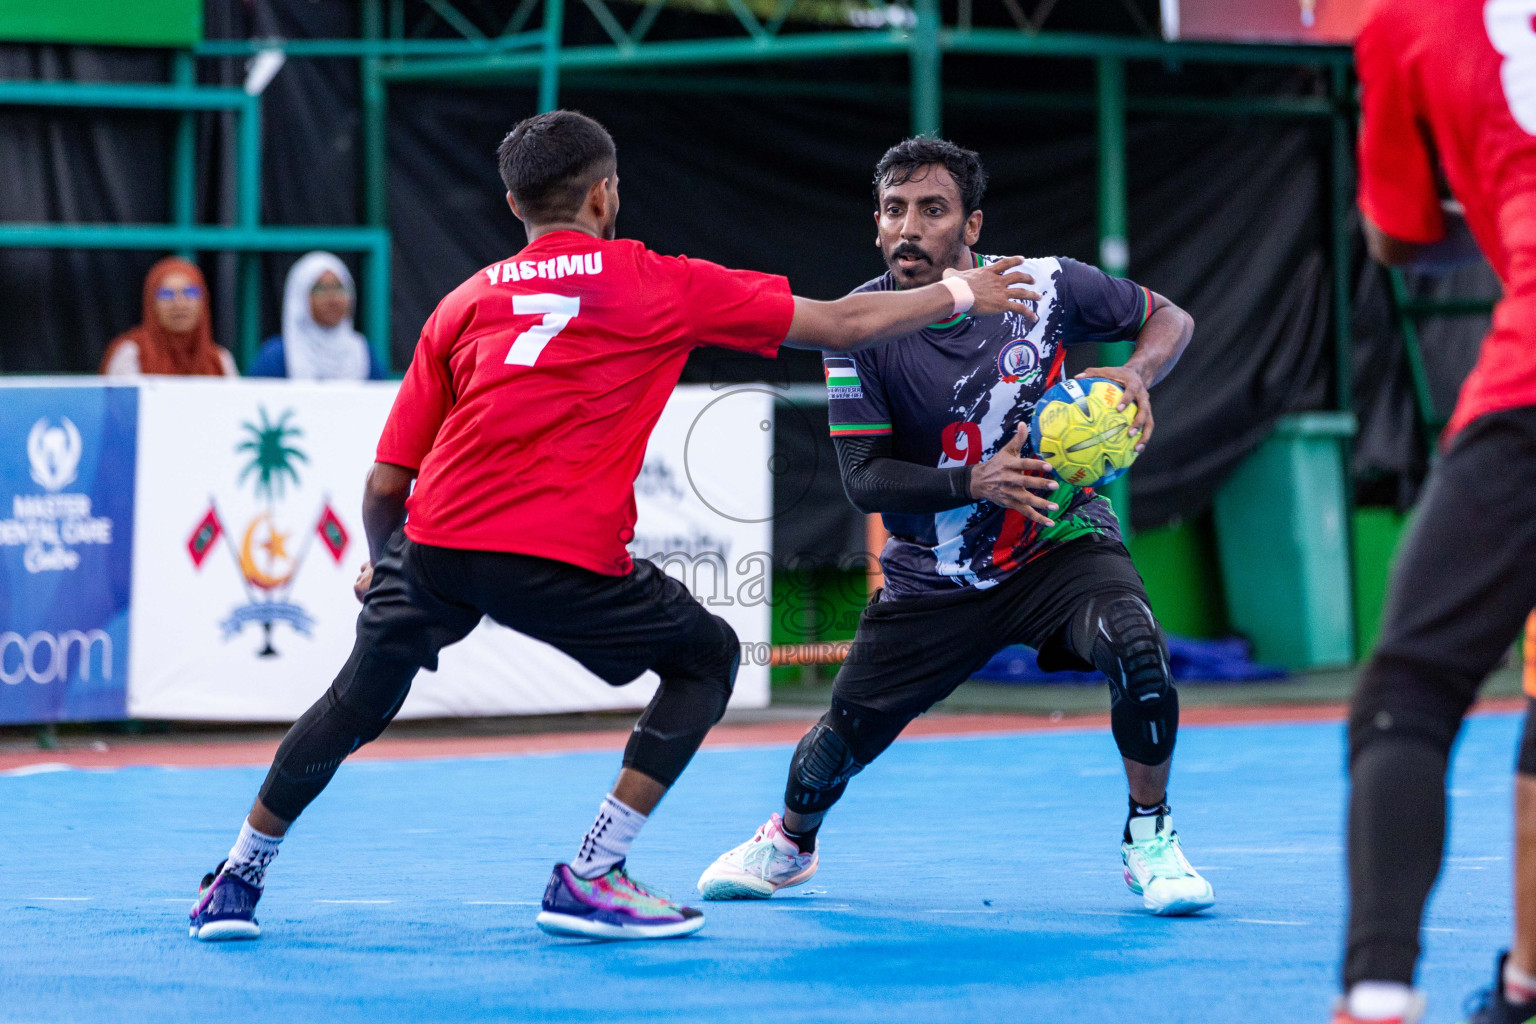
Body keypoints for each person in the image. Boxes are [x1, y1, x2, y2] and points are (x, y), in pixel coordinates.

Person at [186, 110, 1040, 943]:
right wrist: (962, 289)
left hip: (435, 540)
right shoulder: (656, 280)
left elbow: (382, 485)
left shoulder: (464, 301)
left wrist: (386, 567)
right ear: (606, 196)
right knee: (704, 658)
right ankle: (593, 874)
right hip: (552, 553)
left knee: (352, 702)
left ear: (514, 205)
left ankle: (235, 878)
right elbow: (843, 323)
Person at [697, 137, 1210, 918]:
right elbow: (864, 480)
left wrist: (1137, 372)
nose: (910, 227)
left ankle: (1151, 837)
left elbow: (1170, 316)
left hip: (1056, 543)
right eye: (894, 210)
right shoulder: (861, 328)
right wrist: (975, 481)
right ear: (876, 225)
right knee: (838, 741)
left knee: (1138, 648)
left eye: (932, 210)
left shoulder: (1048, 286)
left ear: (972, 227)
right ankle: (791, 843)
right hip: (932, 576)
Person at [1334, 2, 1536, 1022]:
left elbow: (1398, 237)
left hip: (1530, 385)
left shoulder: (1408, 21)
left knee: (1406, 695)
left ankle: (1377, 992)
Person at [248, 251, 387, 380]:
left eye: (339, 287)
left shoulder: (362, 354)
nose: (332, 298)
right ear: (300, 298)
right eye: (320, 289)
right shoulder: (277, 356)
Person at [100, 257, 237, 377]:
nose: (179, 304)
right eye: (167, 294)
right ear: (151, 303)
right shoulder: (131, 355)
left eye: (190, 293)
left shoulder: (220, 361)